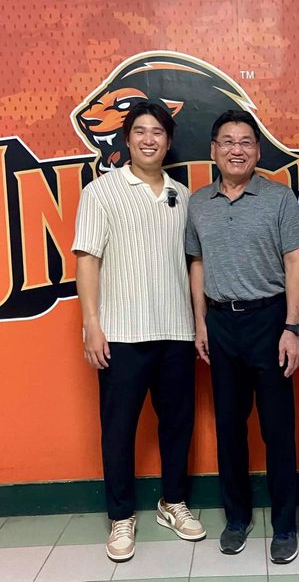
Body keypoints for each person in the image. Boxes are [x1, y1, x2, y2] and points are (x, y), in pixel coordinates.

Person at [72, 101, 206, 562]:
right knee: (118, 429)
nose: (149, 140)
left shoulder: (183, 196)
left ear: (168, 142)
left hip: (176, 331)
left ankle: (173, 502)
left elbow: (193, 265)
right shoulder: (101, 192)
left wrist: (197, 323)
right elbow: (87, 261)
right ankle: (121, 515)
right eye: (140, 131)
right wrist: (92, 324)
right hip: (121, 333)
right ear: (127, 139)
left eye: (158, 132)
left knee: (177, 425)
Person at [186, 110, 299, 564]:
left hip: (270, 322)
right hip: (221, 324)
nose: (236, 150)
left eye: (245, 142)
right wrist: (200, 322)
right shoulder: (198, 203)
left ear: (257, 151)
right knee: (229, 428)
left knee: (278, 430)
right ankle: (236, 518)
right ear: (214, 150)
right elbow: (197, 263)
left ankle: (284, 524)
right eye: (228, 142)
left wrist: (292, 327)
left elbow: (295, 262)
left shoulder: (278, 198)